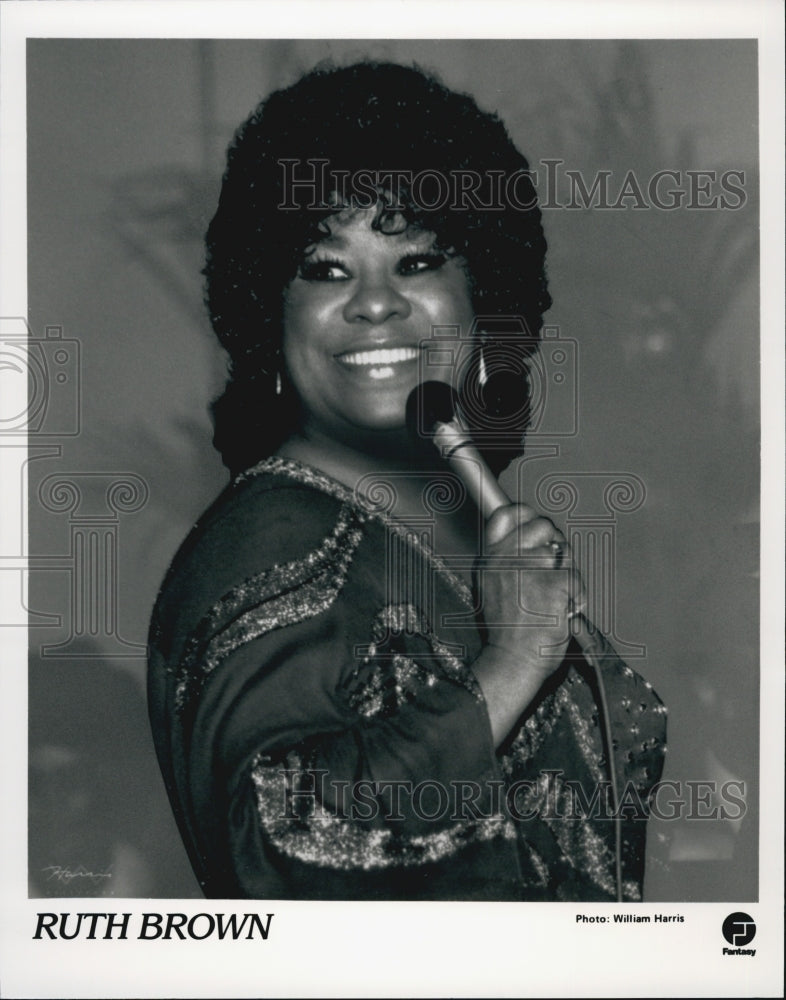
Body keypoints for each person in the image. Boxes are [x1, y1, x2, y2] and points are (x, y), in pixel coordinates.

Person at [148, 60, 666, 901]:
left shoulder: (445, 525)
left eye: (418, 260)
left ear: (482, 300)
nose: (376, 303)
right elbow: (274, 843)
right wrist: (513, 661)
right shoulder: (274, 536)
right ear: (267, 318)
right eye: (325, 266)